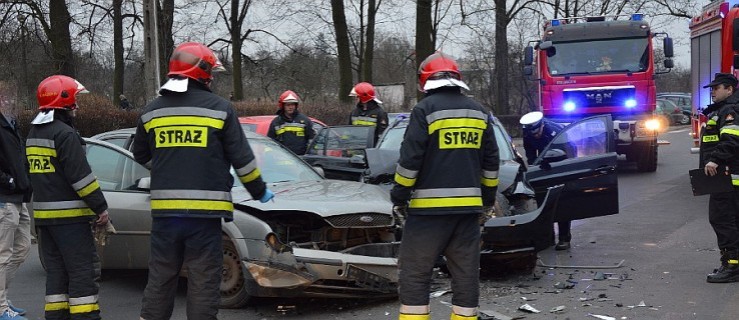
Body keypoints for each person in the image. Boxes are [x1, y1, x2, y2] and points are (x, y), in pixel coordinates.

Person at [132, 42, 274, 320]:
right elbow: (242, 161)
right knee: (203, 279)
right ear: (204, 72)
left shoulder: (151, 112)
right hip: (204, 217)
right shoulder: (221, 109)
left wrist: (167, 165)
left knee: (161, 276)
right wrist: (259, 191)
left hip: (166, 216)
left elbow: (140, 154)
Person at [391, 52, 499, 320]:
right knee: (465, 275)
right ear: (457, 79)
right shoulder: (479, 112)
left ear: (424, 81)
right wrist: (486, 200)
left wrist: (399, 196)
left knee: (416, 274)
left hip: (427, 216)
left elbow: (410, 160)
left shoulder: (424, 110)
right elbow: (492, 163)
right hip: (467, 215)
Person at [26, 75, 109, 320]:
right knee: (82, 272)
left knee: (57, 275)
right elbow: (81, 179)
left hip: (44, 221)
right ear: (64, 101)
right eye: (74, 101)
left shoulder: (33, 134)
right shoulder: (65, 134)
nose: (77, 106)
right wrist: (101, 207)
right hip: (71, 221)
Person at [701, 73, 739, 283]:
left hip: (725, 176)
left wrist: (714, 160)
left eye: (717, 88)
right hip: (726, 177)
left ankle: (731, 266)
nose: (713, 91)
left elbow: (731, 139)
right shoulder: (724, 109)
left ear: (729, 89)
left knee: (722, 219)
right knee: (732, 220)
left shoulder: (730, 110)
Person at [0, 87, 31, 320]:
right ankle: (1, 308)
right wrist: (8, 181)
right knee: (3, 254)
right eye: (6, 98)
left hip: (19, 198)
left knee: (22, 248)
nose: (11, 101)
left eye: (12, 97)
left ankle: (2, 298)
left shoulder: (12, 124)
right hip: (4, 198)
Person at [520, 111, 572, 250]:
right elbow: (530, 155)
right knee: (544, 202)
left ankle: (564, 238)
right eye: (533, 134)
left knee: (561, 203)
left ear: (542, 125)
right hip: (545, 164)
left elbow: (567, 153)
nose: (535, 136)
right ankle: (548, 237)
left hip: (563, 161)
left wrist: (551, 162)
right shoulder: (527, 133)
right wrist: (536, 167)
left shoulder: (555, 132)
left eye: (537, 133)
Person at [267, 90, 315, 155]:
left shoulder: (305, 121)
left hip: (300, 160)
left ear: (296, 105)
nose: (290, 107)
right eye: (288, 104)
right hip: (281, 159)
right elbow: (270, 142)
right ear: (283, 106)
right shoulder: (276, 122)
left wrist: (308, 155)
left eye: (292, 104)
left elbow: (312, 141)